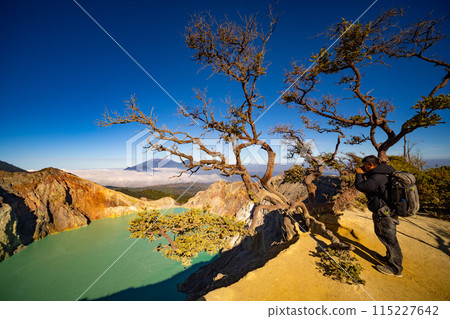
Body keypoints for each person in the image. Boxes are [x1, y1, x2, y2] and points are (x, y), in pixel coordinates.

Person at [355, 155, 403, 278]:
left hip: (384, 212)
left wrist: (359, 175)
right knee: (386, 235)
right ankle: (388, 258)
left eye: (365, 165)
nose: (363, 167)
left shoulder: (377, 177)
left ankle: (395, 268)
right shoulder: (383, 172)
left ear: (370, 165)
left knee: (389, 238)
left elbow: (361, 187)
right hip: (388, 210)